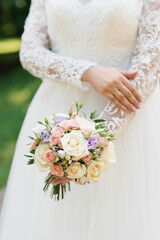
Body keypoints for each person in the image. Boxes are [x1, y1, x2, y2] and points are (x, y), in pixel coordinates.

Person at [0, 0, 160, 239]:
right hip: (56, 112)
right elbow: (29, 52)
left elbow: (149, 66)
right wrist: (88, 72)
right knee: (53, 220)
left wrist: (92, 144)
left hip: (126, 120)